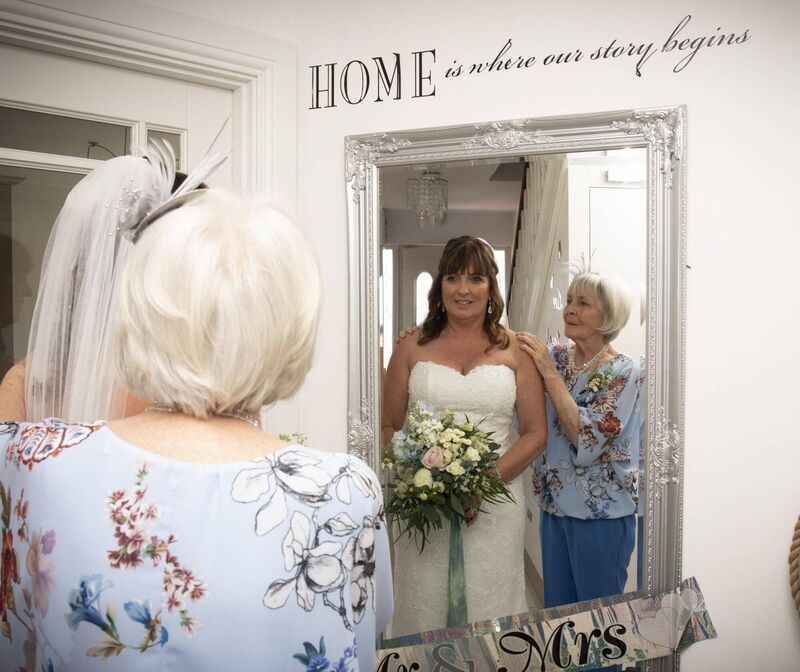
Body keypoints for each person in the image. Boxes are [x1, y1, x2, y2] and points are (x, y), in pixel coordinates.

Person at [0, 189, 391, 671]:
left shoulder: (32, 460)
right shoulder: (344, 489)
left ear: (137, 316)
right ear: (289, 331)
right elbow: (364, 633)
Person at [383, 235, 547, 636]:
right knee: (424, 599)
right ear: (440, 284)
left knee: (491, 606)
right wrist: (423, 484)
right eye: (453, 277)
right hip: (425, 507)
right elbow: (388, 426)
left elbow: (535, 433)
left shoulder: (516, 350)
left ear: (491, 287)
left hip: (496, 503)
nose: (463, 290)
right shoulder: (410, 346)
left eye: (476, 278)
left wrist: (480, 486)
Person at [517, 271, 640, 614]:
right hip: (554, 508)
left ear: (608, 315)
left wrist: (549, 374)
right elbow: (500, 347)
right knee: (560, 620)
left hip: (601, 516)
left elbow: (587, 439)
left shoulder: (625, 372)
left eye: (583, 303)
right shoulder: (555, 356)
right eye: (570, 300)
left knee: (599, 623)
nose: (570, 309)